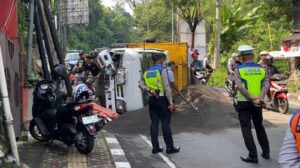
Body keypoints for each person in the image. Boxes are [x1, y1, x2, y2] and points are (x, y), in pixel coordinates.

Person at [234, 45, 270, 163]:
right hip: (258, 103)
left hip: (244, 103)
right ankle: (266, 153)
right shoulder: (262, 68)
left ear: (242, 57)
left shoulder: (239, 69)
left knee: (246, 128)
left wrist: (250, 98)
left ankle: (253, 156)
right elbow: (266, 85)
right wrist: (259, 98)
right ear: (253, 56)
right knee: (259, 126)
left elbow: (239, 86)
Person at [139, 53, 180, 154]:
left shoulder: (147, 72)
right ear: (161, 60)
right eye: (163, 60)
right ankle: (170, 147)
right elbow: (166, 86)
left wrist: (149, 90)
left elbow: (140, 84)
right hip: (162, 99)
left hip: (152, 100)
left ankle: (155, 148)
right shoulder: (162, 70)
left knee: (154, 123)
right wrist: (170, 102)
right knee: (165, 123)